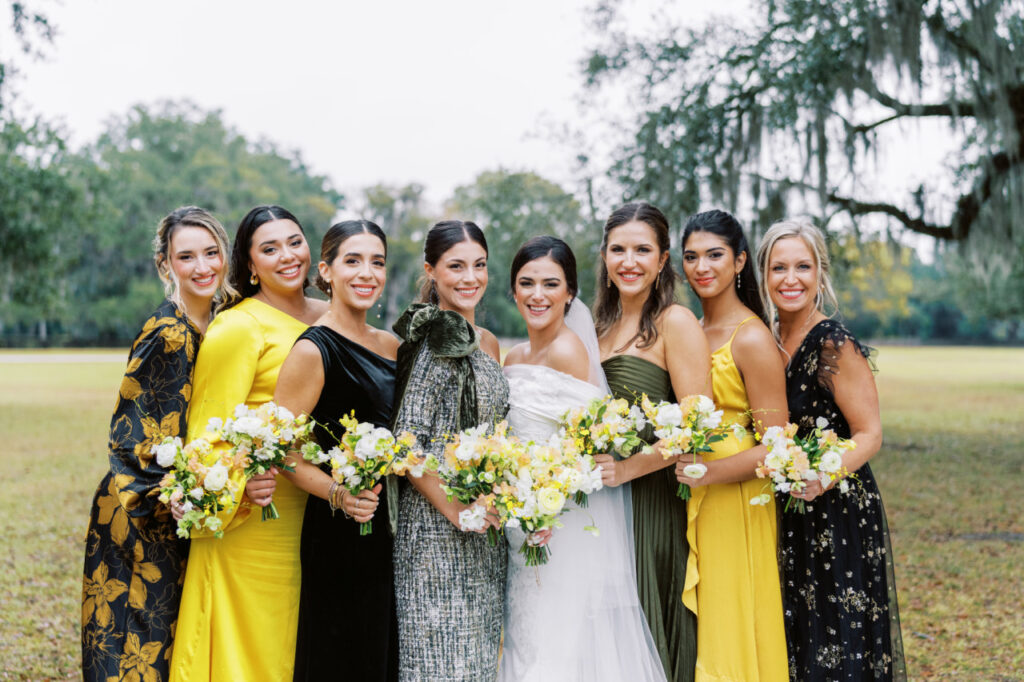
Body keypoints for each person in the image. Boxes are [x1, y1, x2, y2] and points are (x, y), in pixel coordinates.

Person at [169, 205, 328, 682]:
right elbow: (206, 435)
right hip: (257, 522)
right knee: (255, 653)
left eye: (294, 242)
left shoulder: (332, 316)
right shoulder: (238, 327)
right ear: (250, 264)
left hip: (320, 513)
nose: (287, 256)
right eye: (269, 248)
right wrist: (239, 482)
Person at [499, 236, 668, 682]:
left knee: (557, 646)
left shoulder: (570, 351)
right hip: (522, 526)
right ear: (513, 290)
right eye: (527, 283)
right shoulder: (513, 356)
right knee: (525, 639)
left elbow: (588, 452)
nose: (538, 295)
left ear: (570, 292)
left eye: (551, 284)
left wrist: (545, 506)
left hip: (561, 524)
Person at [82, 206, 231, 682]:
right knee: (138, 637)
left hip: (189, 500)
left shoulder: (224, 323)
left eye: (211, 252)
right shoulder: (166, 331)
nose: (202, 266)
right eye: (186, 256)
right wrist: (166, 498)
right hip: (144, 503)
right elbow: (129, 428)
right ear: (166, 265)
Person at [757, 218, 906, 681]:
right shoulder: (762, 339)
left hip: (836, 509)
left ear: (820, 274)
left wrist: (821, 475)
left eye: (803, 266)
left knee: (836, 640)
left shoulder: (833, 345)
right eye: (778, 267)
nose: (791, 279)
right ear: (762, 274)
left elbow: (869, 433)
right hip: (779, 509)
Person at [273, 220, 399, 681]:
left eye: (377, 262)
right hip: (339, 531)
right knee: (344, 657)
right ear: (325, 271)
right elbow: (283, 454)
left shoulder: (391, 346)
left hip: (389, 529)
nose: (367, 272)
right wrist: (342, 495)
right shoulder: (312, 350)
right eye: (353, 260)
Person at [594, 202, 711, 682]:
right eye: (618, 249)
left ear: (663, 260)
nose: (629, 261)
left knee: (644, 621)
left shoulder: (675, 322)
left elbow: (697, 425)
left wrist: (626, 468)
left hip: (650, 501)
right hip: (601, 504)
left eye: (643, 250)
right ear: (604, 256)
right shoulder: (596, 326)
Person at [391, 220, 509, 682]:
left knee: (476, 663)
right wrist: (459, 510)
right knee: (440, 664)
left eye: (479, 266)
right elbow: (406, 444)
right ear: (431, 271)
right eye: (456, 266)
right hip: (436, 533)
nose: (470, 278)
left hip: (482, 530)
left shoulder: (487, 342)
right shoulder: (440, 341)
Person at [674, 209, 789, 681]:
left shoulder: (752, 338)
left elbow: (777, 448)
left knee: (731, 618)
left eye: (715, 255)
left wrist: (711, 472)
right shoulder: (688, 331)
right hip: (689, 497)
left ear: (740, 261)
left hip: (735, 502)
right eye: (691, 257)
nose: (702, 267)